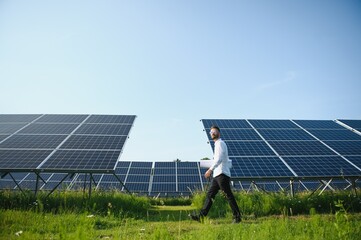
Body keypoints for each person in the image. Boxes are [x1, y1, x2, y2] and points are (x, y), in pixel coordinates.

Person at [190, 125, 241, 223]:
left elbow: (219, 159)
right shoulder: (217, 145)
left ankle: (237, 217)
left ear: (218, 133)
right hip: (217, 175)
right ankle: (201, 216)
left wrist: (210, 170)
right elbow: (217, 159)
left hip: (222, 174)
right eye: (211, 132)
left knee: (228, 195)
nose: (212, 133)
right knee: (210, 195)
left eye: (214, 131)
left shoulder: (220, 143)